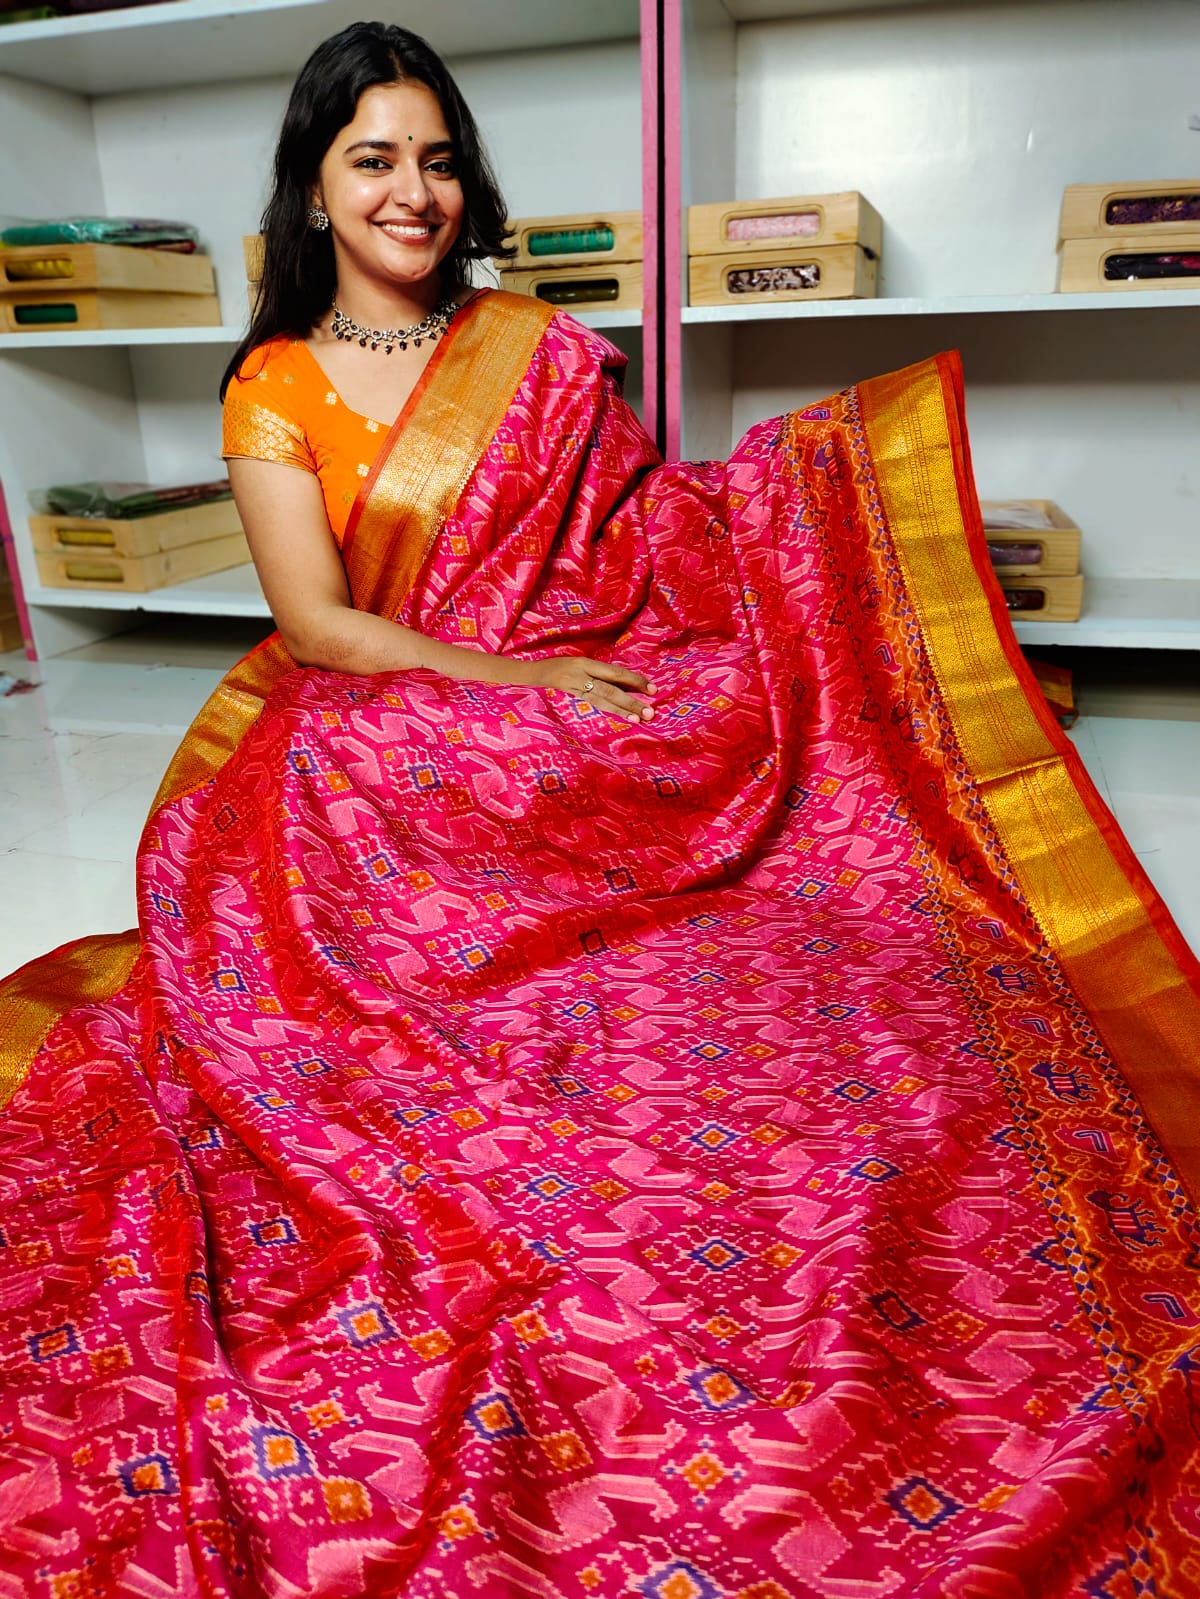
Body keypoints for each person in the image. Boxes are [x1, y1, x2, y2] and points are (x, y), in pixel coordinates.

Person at [1, 21, 1198, 1599]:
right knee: (424, 761)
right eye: (373, 160)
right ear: (313, 190)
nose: (413, 192)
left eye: (438, 160)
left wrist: (787, 504)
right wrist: (511, 679)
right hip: (381, 695)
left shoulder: (531, 350)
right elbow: (320, 627)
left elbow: (636, 527)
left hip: (548, 647)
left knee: (698, 701)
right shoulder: (276, 384)